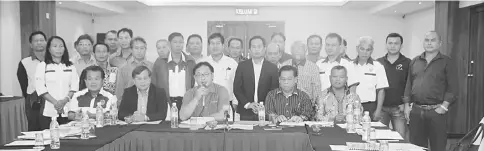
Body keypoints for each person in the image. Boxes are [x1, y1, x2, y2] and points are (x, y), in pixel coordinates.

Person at [403, 31, 457, 151]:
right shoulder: (415, 61)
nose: (429, 43)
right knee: (416, 147)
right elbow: (408, 84)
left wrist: (444, 107)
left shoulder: (447, 62)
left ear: (440, 43)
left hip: (436, 112)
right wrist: (407, 105)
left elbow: (453, 87)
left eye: (433, 40)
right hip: (416, 111)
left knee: (438, 146)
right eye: (427, 40)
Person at [35, 36, 79, 130]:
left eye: (61, 46)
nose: (58, 49)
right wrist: (56, 103)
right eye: (55, 46)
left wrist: (64, 101)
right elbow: (40, 88)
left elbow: (75, 86)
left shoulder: (70, 66)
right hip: (48, 109)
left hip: (67, 108)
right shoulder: (43, 66)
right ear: (49, 49)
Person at [234, 36, 279, 121]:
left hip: (266, 111)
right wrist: (248, 104)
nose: (256, 49)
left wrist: (263, 106)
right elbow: (237, 88)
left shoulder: (272, 68)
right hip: (245, 111)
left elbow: (274, 90)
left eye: (259, 47)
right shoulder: (242, 66)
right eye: (253, 47)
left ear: (264, 49)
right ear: (249, 50)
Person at [376, 33, 410, 139]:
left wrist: (406, 104)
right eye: (390, 43)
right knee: (380, 138)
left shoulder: (408, 62)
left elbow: (410, 85)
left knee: (400, 140)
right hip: (381, 108)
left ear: (401, 45)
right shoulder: (378, 62)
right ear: (386, 44)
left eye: (396, 43)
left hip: (399, 108)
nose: (393, 46)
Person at [151, 32, 196, 110]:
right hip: (165, 102)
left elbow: (193, 82)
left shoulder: (190, 61)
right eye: (175, 42)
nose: (178, 45)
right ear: (169, 44)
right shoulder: (160, 62)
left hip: (186, 102)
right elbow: (154, 83)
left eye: (181, 42)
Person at [198, 33, 239, 114]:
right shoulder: (201, 63)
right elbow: (196, 85)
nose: (215, 46)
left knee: (226, 126)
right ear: (209, 46)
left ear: (223, 45)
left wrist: (235, 103)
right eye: (212, 43)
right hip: (206, 104)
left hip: (227, 104)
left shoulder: (232, 63)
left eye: (218, 43)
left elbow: (237, 85)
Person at [353, 36, 389, 121]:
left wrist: (378, 110)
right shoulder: (349, 65)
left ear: (372, 50)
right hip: (351, 106)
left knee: (368, 132)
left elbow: (381, 90)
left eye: (368, 50)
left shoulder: (378, 66)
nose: (365, 52)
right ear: (357, 49)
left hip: (370, 107)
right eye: (362, 49)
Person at [17, 31, 47, 131]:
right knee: (35, 129)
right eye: (36, 41)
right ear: (31, 44)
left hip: (53, 99)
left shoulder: (53, 60)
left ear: (46, 42)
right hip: (34, 101)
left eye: (41, 40)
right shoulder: (24, 62)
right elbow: (23, 84)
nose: (39, 43)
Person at [114, 37, 153, 102]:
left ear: (145, 50)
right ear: (131, 50)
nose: (139, 51)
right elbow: (119, 91)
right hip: (129, 102)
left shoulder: (151, 66)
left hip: (149, 102)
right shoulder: (123, 68)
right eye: (136, 48)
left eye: (142, 48)